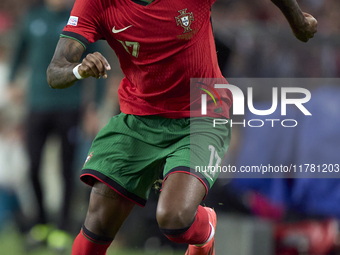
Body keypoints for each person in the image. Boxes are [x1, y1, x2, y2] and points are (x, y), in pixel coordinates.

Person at [47, 0, 317, 254]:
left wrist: (299, 22)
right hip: (138, 118)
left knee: (174, 217)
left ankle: (206, 230)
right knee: (97, 225)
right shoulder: (98, 4)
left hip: (202, 113)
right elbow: (55, 71)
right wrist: (78, 70)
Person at [8, 0, 105, 250]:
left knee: (66, 170)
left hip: (69, 106)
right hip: (37, 105)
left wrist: (93, 106)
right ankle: (40, 224)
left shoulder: (80, 17)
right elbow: (19, 51)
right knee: (32, 166)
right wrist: (12, 82)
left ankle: (62, 228)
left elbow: (98, 61)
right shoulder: (33, 18)